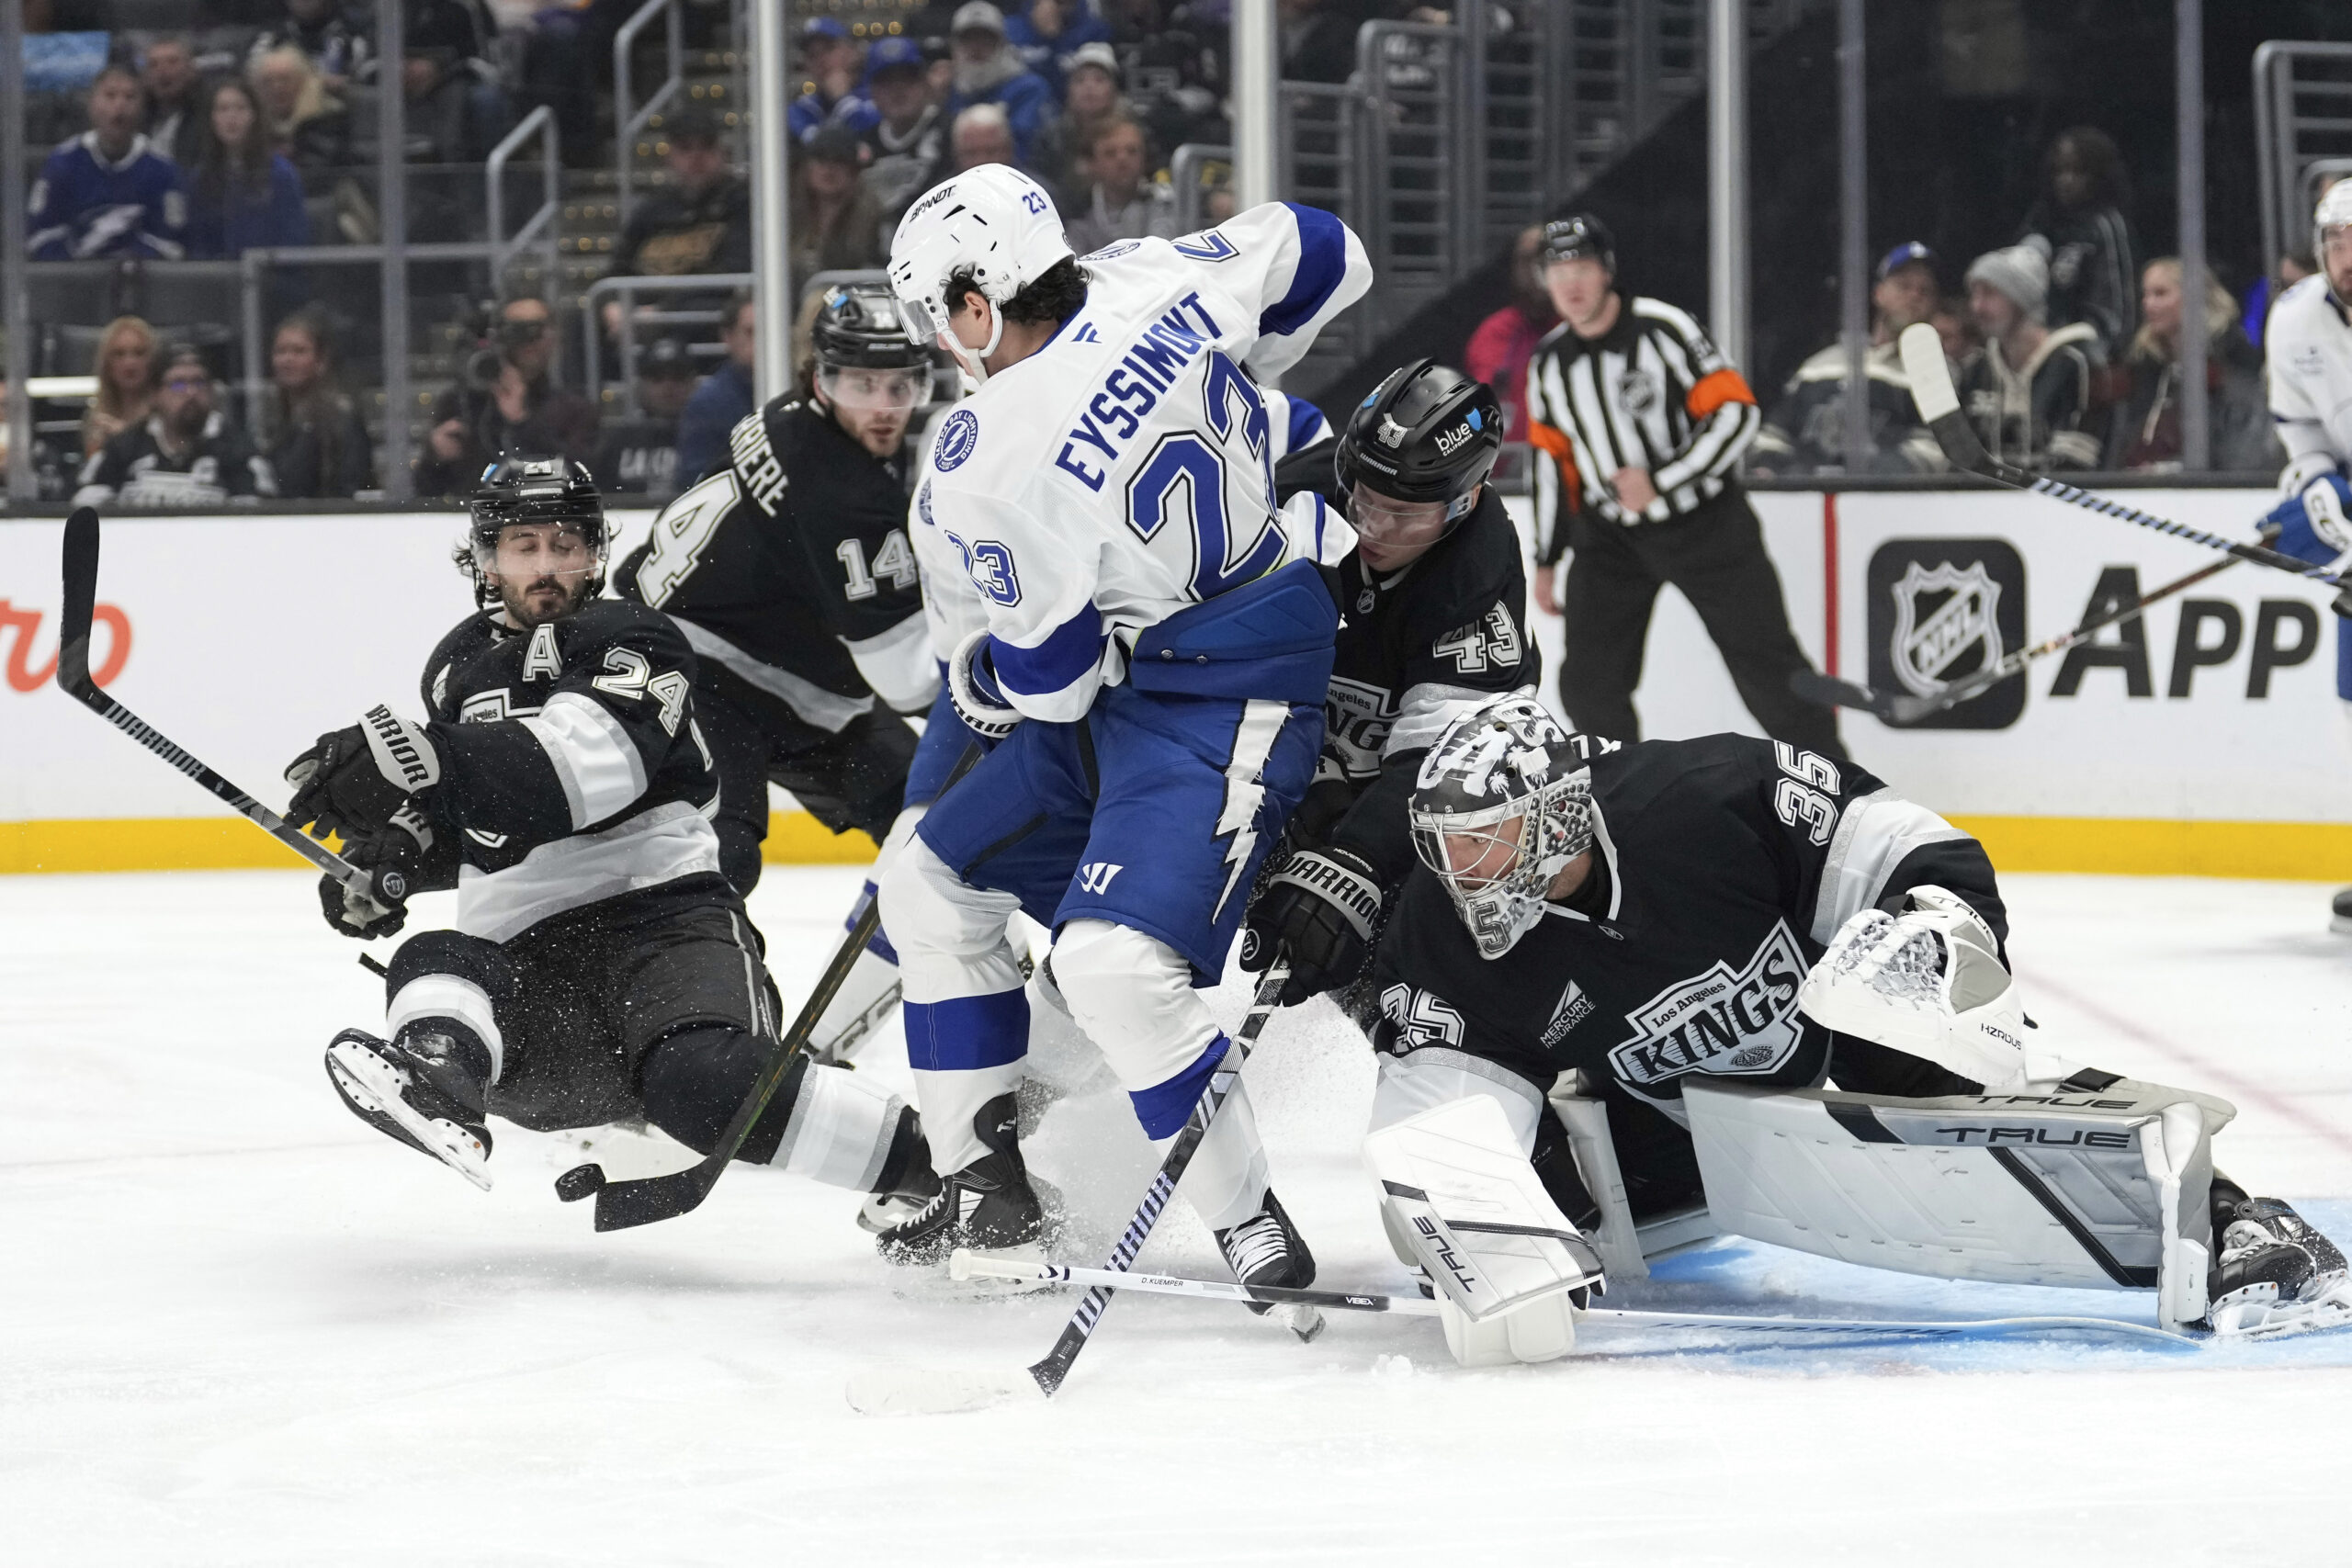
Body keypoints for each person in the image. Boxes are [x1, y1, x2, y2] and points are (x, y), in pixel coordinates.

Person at [1345, 695, 2350, 1364]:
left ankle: (2234, 1219)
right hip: (1670, 1122)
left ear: (1560, 814)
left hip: (1844, 1035)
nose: (1465, 872)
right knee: (1551, 1192)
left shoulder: (1701, 800)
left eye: (1488, 840)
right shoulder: (1442, 932)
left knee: (1951, 1051)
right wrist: (1477, 1232)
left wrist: (1932, 937)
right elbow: (1439, 1106)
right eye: (1448, 849)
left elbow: (1912, 843)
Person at [872, 165, 1369, 1294]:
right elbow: (1329, 249)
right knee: (922, 882)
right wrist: (1238, 367)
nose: (940, 342)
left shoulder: (982, 459)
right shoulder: (1146, 276)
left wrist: (988, 674)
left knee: (1108, 964)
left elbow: (1047, 682)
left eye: (934, 313)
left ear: (975, 296)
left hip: (1226, 691)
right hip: (1152, 679)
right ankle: (984, 1193)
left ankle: (1249, 1223)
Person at [286, 457, 943, 1225]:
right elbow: (477, 819)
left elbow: (585, 771)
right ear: (486, 557)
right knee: (436, 963)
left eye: (566, 544)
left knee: (707, 1085)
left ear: (596, 552)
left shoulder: (635, 637)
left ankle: (946, 1174)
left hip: (664, 924)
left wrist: (429, 759)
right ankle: (439, 1081)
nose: (546, 566)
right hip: (531, 963)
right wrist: (391, 858)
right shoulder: (454, 668)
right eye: (523, 545)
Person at [616, 287, 940, 1065]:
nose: (886, 405)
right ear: (821, 377)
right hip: (693, 668)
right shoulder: (846, 492)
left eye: (901, 385)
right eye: (863, 384)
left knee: (944, 818)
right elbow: (910, 679)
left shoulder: (787, 419)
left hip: (791, 681)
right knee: (714, 857)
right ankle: (667, 1046)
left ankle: (961, 991)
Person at [1240, 361, 1535, 1009]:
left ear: (1467, 500)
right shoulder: (1289, 500)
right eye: (1365, 499)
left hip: (1391, 794)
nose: (1372, 528)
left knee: (1405, 976)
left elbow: (1446, 763)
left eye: (1405, 515)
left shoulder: (1477, 578)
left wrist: (1355, 859)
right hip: (1270, 759)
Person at [1522, 213, 1843, 758]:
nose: (1569, 284)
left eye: (1581, 266)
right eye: (1556, 271)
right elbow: (1553, 465)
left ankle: (1842, 799)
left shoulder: (1663, 328)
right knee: (1588, 684)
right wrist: (1548, 558)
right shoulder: (1550, 362)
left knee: (1769, 670)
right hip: (1610, 539)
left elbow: (1736, 414)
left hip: (1707, 526)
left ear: (1607, 271)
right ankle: (1617, 809)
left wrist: (1663, 482)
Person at [2260, 182, 2352, 937]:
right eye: (2337, 243)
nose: (2348, 259)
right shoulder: (2294, 320)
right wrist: (2316, 486)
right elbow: (2304, 436)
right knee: (2284, 529)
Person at [1749, 241, 1945, 478]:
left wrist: (1868, 478)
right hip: (1806, 501)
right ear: (1879, 294)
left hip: (1887, 504)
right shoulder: (1819, 366)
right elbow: (1773, 437)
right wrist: (1776, 470)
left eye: (1926, 291)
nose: (1915, 296)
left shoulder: (1937, 372)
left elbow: (1935, 451)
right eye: (1904, 286)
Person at [2107, 257, 2279, 475]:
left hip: (2210, 488)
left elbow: (2242, 441)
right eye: (2146, 294)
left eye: (2160, 293)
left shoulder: (2233, 357)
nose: (2148, 303)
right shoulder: (2143, 363)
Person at [414, 295, 599, 498]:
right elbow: (425, 493)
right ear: (499, 336)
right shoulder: (460, 403)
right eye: (517, 330)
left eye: (535, 330)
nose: (528, 341)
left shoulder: (574, 410)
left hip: (545, 517)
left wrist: (522, 422)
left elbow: (582, 479)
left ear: (553, 337)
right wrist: (435, 457)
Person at [601, 107, 752, 341]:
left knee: (709, 311)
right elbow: (618, 266)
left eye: (706, 147)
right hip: (643, 312)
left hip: (702, 308)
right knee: (584, 320)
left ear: (723, 152)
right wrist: (613, 303)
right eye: (685, 148)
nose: (696, 157)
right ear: (669, 156)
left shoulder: (741, 203)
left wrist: (665, 310)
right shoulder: (652, 209)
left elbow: (734, 270)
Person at [1957, 242, 2103, 471]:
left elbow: (2077, 462)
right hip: (1982, 505)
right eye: (1974, 295)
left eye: (1989, 294)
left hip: (2051, 504)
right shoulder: (1974, 370)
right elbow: (1959, 459)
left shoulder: (2073, 365)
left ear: (2021, 300)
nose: (1977, 306)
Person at [74, 345, 278, 507]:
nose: (190, 393)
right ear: (155, 394)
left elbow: (259, 520)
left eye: (199, 383)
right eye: (178, 384)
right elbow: (81, 506)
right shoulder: (124, 448)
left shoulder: (239, 451)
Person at [28, 64, 188, 261]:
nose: (119, 105)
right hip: (72, 287)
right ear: (92, 104)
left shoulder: (162, 169)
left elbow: (172, 243)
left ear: (142, 107)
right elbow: (39, 236)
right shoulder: (63, 163)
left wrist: (133, 261)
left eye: (130, 97)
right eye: (110, 96)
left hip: (141, 287)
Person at [2018, 126, 2137, 355]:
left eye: (2078, 172)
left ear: (2099, 175)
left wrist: (2097, 353)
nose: (2066, 180)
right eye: (2059, 171)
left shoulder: (2106, 226)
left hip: (2087, 357)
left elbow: (2117, 311)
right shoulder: (2040, 223)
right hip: (2039, 351)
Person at [186, 78, 311, 259]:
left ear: (254, 116)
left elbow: (293, 243)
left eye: (240, 108)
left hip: (268, 278)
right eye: (223, 109)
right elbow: (196, 244)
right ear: (211, 118)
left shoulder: (280, 174)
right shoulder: (200, 178)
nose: (231, 117)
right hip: (214, 280)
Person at [261, 308, 373, 498]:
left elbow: (351, 484)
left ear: (321, 361)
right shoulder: (272, 419)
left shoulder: (342, 420)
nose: (287, 360)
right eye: (281, 351)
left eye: (299, 351)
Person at [1461, 223, 1555, 444]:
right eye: (1527, 261)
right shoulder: (1496, 333)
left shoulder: (1580, 329)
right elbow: (1480, 410)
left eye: (1544, 261)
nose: (1534, 272)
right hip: (1507, 467)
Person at [942, 3, 1055, 168]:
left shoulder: (1029, 89)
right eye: (968, 40)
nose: (976, 48)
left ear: (1001, 44)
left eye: (985, 39)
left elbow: (1029, 150)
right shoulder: (949, 90)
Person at [591, 335, 695, 501]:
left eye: (678, 377)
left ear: (692, 383)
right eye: (657, 377)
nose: (668, 386)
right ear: (641, 384)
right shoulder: (618, 442)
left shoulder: (705, 439)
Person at [858, 35, 947, 224]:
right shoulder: (864, 142)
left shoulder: (950, 133)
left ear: (925, 83)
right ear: (872, 90)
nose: (898, 90)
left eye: (908, 79)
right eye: (886, 81)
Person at [1059, 113, 1176, 254]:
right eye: (1110, 153)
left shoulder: (1166, 201)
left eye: (1132, 151)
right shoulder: (1074, 211)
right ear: (1092, 163)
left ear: (1146, 159)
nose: (1122, 160)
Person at [789, 124, 888, 289]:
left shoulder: (876, 219)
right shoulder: (788, 217)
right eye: (821, 159)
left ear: (855, 169)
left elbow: (879, 271)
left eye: (839, 160)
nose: (829, 169)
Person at [674, 289, 756, 486]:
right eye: (750, 332)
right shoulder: (708, 403)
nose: (761, 341)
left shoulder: (799, 391)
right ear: (727, 336)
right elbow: (696, 478)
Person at [1030, 39, 1126, 202]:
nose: (1089, 87)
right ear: (1069, 91)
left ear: (1114, 90)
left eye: (1099, 79)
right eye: (1080, 80)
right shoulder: (1051, 138)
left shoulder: (1132, 134)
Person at [251, 46, 354, 187]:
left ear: (303, 81)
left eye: (285, 80)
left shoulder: (328, 119)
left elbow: (317, 175)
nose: (277, 88)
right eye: (268, 81)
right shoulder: (252, 125)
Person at [78, 315, 157, 461]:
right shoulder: (95, 418)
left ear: (152, 360)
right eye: (119, 354)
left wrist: (123, 438)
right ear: (107, 364)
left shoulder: (165, 415)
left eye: (139, 353)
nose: (130, 363)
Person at [788, 17, 879, 143]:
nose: (821, 60)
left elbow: (875, 138)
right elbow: (820, 150)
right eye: (812, 55)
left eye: (829, 49)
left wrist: (842, 99)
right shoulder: (803, 110)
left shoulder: (878, 93)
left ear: (852, 52)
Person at [248, 0, 374, 89]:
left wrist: (348, 85)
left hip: (341, 116)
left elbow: (371, 82)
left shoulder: (353, 39)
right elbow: (248, 83)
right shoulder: (269, 39)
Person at [1003, 0, 1112, 102]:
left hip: (1072, 111)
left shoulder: (1094, 31)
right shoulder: (1009, 29)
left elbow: (1093, 85)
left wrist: (1054, 39)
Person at [139, 34, 206, 167]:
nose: (162, 71)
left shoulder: (208, 116)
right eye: (153, 64)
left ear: (191, 70)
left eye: (172, 62)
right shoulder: (135, 118)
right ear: (145, 76)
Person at [946, 102, 1018, 176]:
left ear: (1008, 150)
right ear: (956, 154)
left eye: (991, 152)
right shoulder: (941, 187)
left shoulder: (1029, 186)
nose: (981, 161)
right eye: (971, 153)